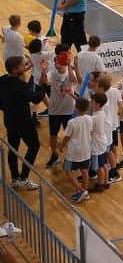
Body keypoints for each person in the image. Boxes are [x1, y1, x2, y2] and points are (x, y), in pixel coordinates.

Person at [0, 56, 47, 190]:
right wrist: (43, 85)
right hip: (24, 122)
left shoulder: (2, 80)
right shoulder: (19, 85)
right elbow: (36, 98)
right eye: (22, 66)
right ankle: (24, 178)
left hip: (9, 120)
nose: (24, 67)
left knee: (13, 149)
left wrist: (7, 109)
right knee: (34, 146)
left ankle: (15, 178)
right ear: (15, 69)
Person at [46, 50, 77, 168]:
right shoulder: (51, 73)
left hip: (68, 110)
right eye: (55, 62)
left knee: (70, 135)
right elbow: (44, 81)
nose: (56, 64)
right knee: (53, 135)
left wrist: (69, 65)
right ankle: (54, 156)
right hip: (54, 110)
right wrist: (43, 71)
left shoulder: (70, 72)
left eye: (58, 62)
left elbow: (72, 80)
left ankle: (72, 158)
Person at [60, 97, 92, 203]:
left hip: (74, 151)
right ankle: (85, 192)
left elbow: (67, 137)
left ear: (76, 108)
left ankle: (80, 190)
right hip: (86, 149)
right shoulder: (89, 119)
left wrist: (62, 146)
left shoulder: (72, 122)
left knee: (67, 170)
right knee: (84, 170)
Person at [95, 75, 122, 184]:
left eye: (97, 86)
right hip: (111, 125)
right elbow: (121, 105)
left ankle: (113, 172)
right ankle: (113, 169)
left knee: (108, 150)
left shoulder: (102, 100)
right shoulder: (109, 94)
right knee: (109, 149)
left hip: (106, 129)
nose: (96, 88)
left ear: (101, 87)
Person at [89, 93, 112, 193]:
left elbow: (90, 131)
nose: (91, 102)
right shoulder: (102, 113)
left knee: (99, 167)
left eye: (92, 101)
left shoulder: (94, 117)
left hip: (96, 145)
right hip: (102, 142)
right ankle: (106, 182)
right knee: (104, 163)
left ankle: (100, 185)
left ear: (98, 104)